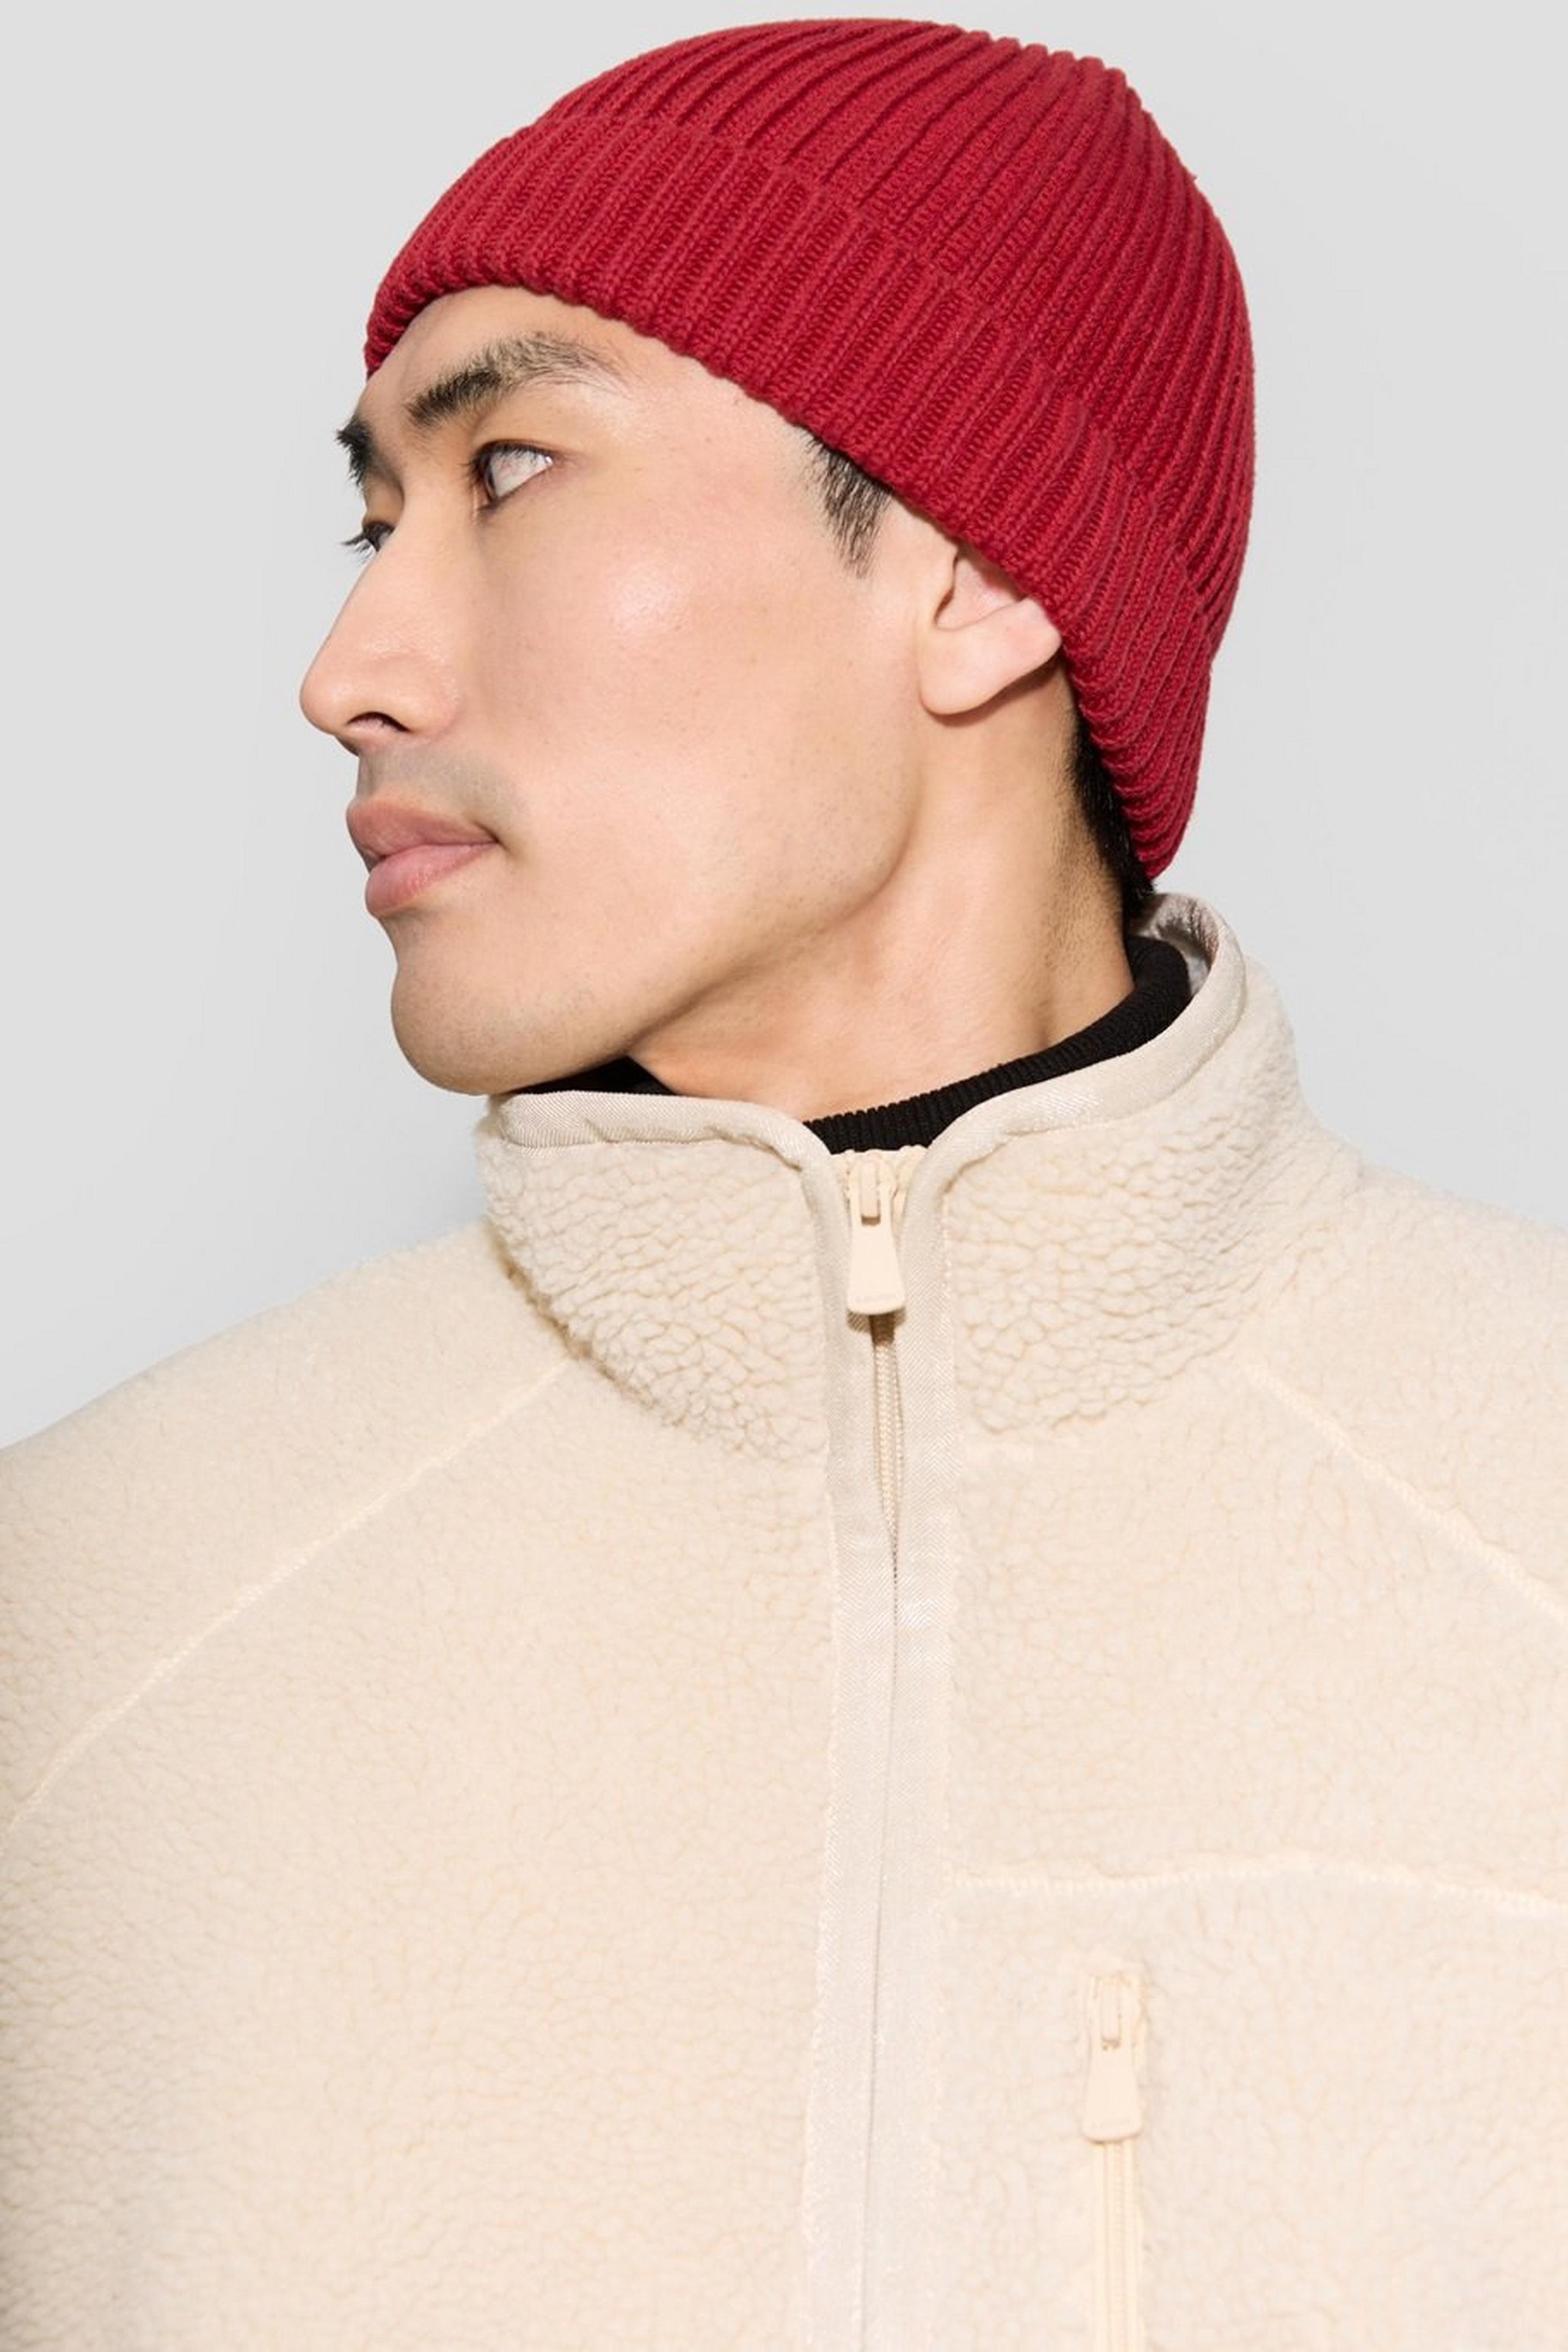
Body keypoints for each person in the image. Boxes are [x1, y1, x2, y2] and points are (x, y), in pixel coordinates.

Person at [3, 16, 1565, 2346]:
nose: (351, 667)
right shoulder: (85, 1621)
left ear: (978, 574)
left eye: (510, 467)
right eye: (374, 519)